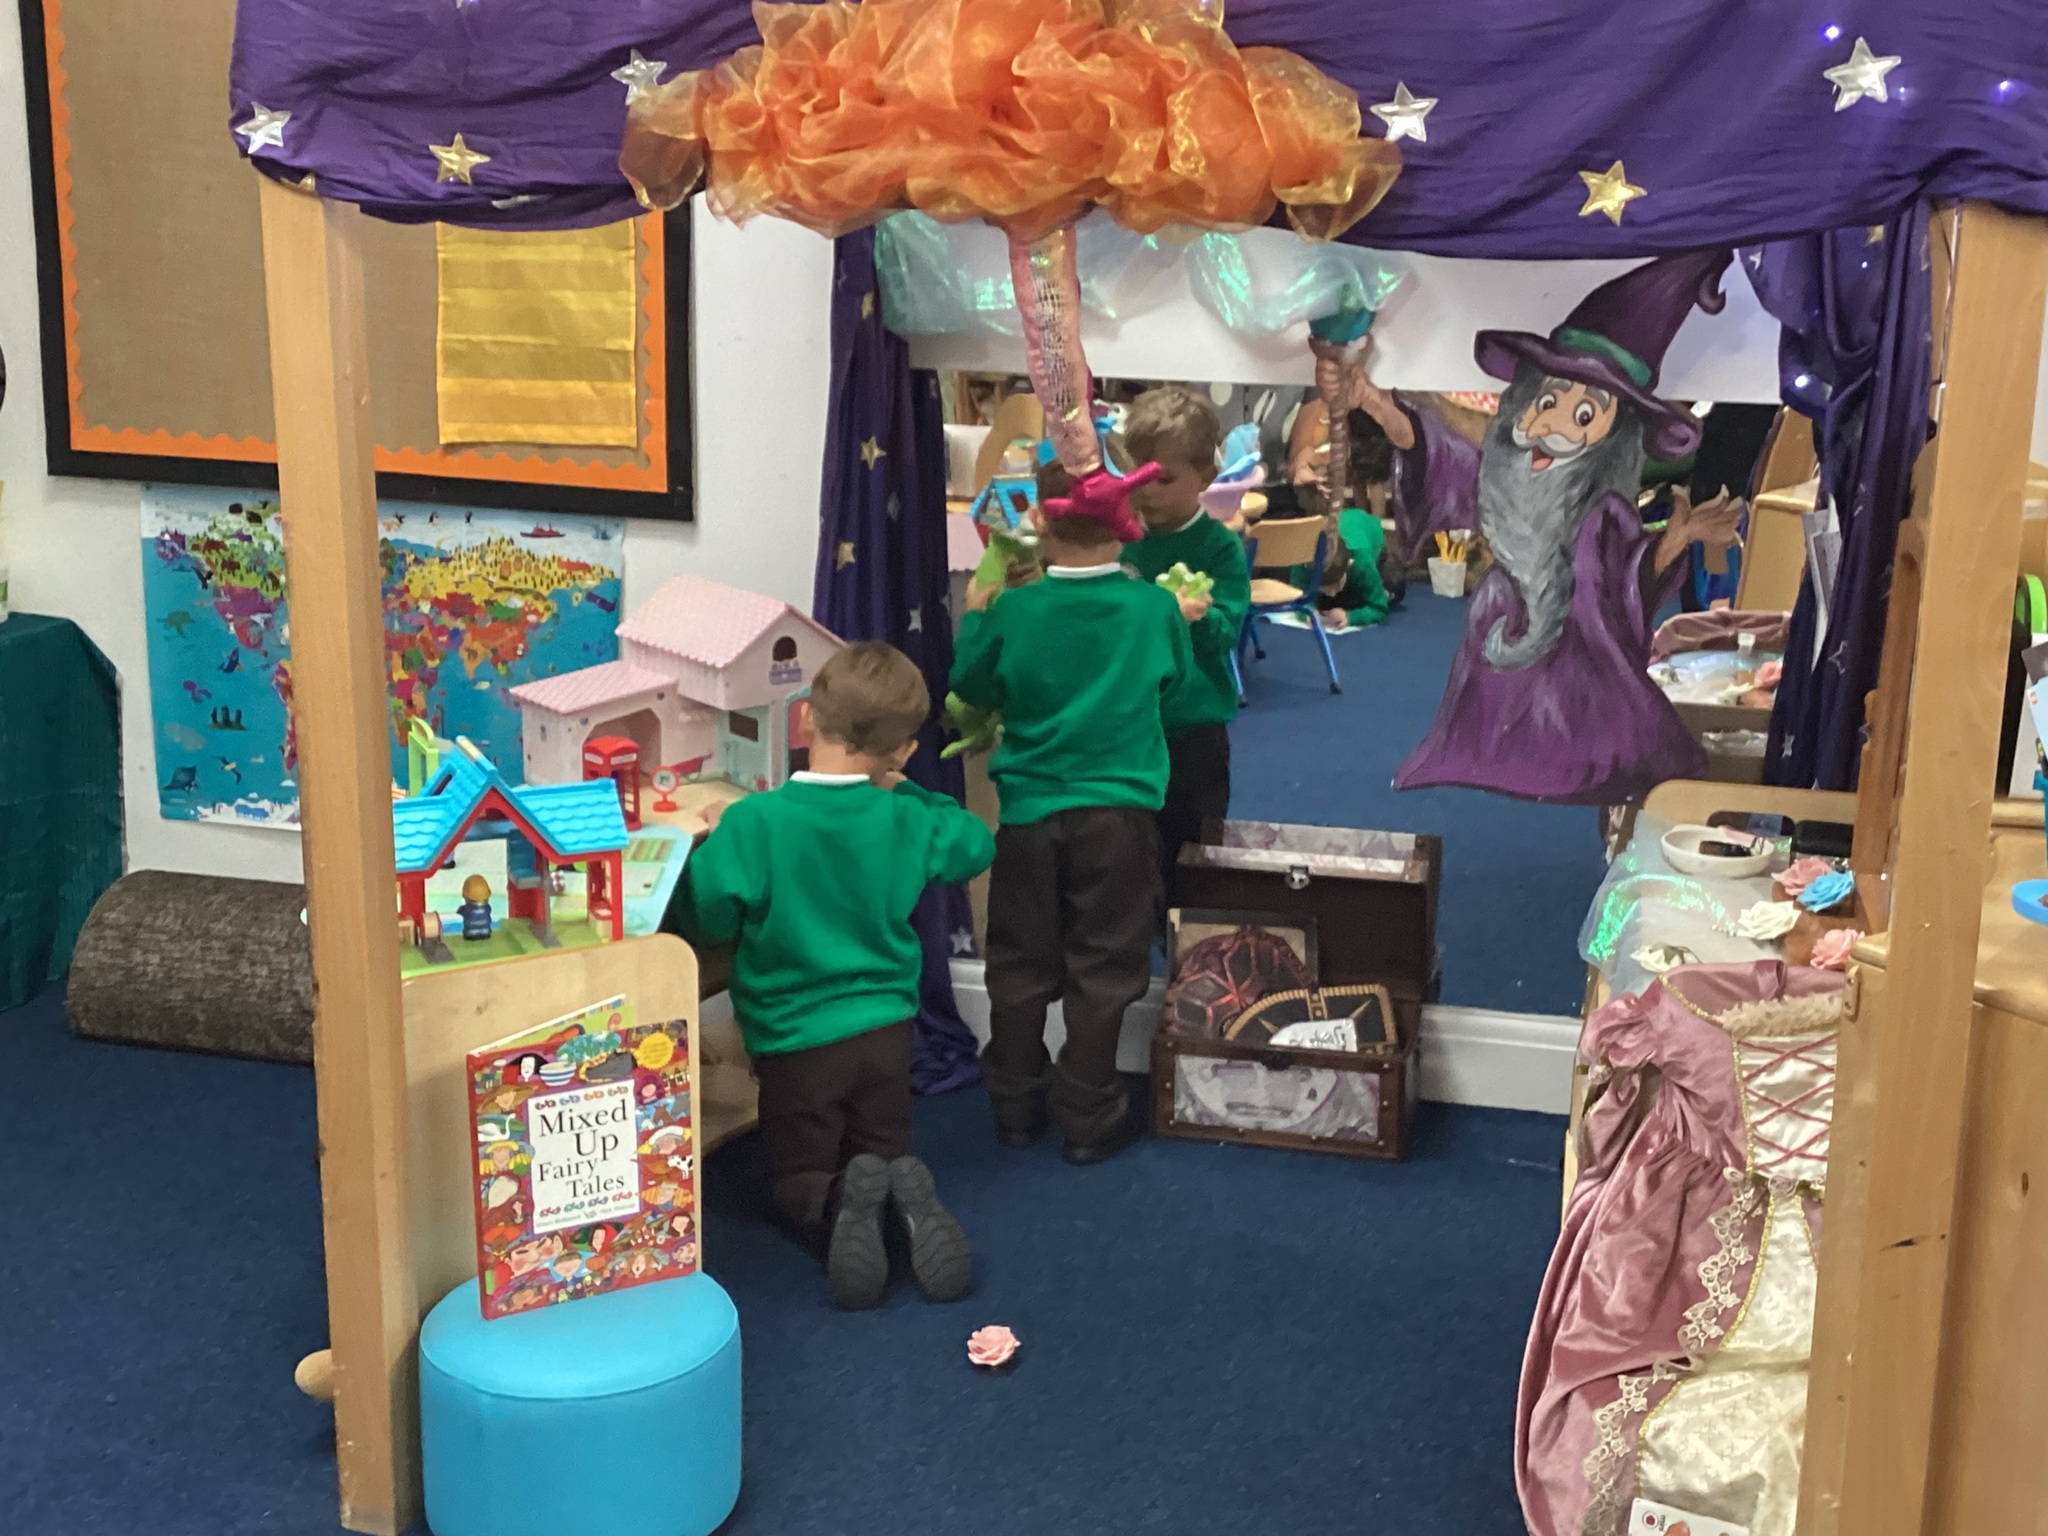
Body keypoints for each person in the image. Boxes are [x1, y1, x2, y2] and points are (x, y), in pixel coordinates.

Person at [1351, 250, 1746, 804]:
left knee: (1578, 717)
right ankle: (1484, 750)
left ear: (1614, 432)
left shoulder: (1605, 512)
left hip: (1578, 641)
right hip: (1500, 622)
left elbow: (1631, 574)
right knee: (1491, 709)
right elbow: (1438, 456)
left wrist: (1677, 538)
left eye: (1585, 415)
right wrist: (1380, 407)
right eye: (1548, 400)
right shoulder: (1503, 475)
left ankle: (1572, 760)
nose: (1555, 425)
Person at [670, 642, 995, 1310]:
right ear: (903, 751)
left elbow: (708, 915)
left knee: (797, 1172)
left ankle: (836, 1208)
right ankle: (897, 1201)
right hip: (887, 1032)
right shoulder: (905, 816)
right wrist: (909, 791)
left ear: (806, 719)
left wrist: (724, 830)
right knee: (880, 1146)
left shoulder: (756, 821)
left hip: (797, 1041)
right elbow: (974, 843)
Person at [952, 457, 1193, 1165]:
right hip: (1120, 816)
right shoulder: (1154, 608)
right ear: (1127, 523)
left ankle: (1015, 1108)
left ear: (1039, 524)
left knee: (1019, 962)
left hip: (1029, 814)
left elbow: (969, 683)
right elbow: (1176, 686)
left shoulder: (1015, 610)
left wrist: (977, 614)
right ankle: (1089, 1114)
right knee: (1106, 965)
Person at [1117, 385, 1252, 905]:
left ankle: (1188, 936)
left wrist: (1194, 616)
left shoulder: (1218, 547)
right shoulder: (1120, 539)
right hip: (1128, 723)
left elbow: (1227, 632)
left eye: (1165, 479)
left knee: (1193, 852)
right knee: (1127, 851)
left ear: (1205, 477)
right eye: (1139, 476)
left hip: (1192, 730)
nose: (1148, 492)